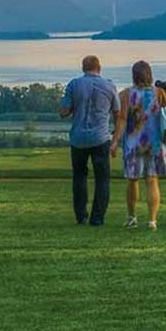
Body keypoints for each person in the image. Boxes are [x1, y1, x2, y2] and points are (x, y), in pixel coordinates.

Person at [59, 54, 118, 226]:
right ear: (99, 68)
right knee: (102, 179)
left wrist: (74, 107)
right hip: (100, 138)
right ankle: (97, 218)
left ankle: (81, 216)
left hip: (78, 138)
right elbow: (117, 112)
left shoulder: (74, 84)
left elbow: (63, 111)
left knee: (79, 176)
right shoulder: (109, 86)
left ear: (83, 68)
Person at [112, 59, 166, 229]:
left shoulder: (125, 94)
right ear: (149, 75)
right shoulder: (159, 93)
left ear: (134, 75)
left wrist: (115, 141)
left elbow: (122, 120)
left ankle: (132, 218)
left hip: (133, 143)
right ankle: (152, 220)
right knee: (152, 180)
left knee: (133, 180)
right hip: (154, 143)